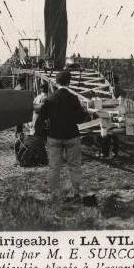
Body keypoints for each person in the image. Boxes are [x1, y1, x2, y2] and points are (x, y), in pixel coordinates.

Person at [38, 70, 89, 202]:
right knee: (74, 165)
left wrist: (44, 135)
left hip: (54, 136)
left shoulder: (50, 99)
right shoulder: (74, 98)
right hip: (72, 135)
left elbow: (41, 118)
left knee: (54, 166)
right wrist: (84, 111)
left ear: (56, 82)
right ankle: (76, 193)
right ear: (69, 82)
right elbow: (80, 119)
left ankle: (54, 194)